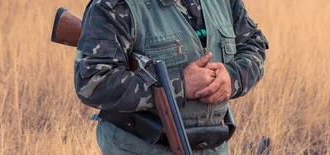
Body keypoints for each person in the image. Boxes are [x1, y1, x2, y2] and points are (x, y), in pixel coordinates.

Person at [73, 0, 269, 154]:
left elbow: (254, 45)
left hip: (214, 145)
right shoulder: (116, 5)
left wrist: (232, 78)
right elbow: (93, 82)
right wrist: (180, 85)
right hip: (139, 147)